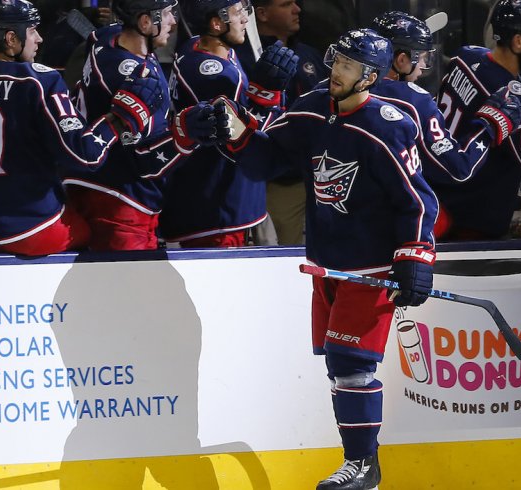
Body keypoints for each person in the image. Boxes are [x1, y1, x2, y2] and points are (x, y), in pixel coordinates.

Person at [216, 29, 438, 489]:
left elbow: (417, 200)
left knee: (351, 361)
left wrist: (416, 255)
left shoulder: (388, 124)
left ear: (370, 77)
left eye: (348, 66)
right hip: (326, 263)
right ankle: (365, 468)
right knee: (340, 366)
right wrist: (233, 131)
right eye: (336, 61)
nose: (336, 72)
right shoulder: (311, 110)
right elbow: (263, 160)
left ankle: (361, 465)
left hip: (371, 268)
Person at [0, 0, 188, 256]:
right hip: (28, 229)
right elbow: (84, 156)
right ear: (11, 38)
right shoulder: (39, 80)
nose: (40, 39)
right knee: (92, 233)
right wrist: (121, 117)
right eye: (32, 30)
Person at [62, 0, 210, 251]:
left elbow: (97, 36)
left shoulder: (105, 39)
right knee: (129, 288)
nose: (173, 21)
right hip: (121, 206)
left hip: (89, 188)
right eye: (166, 14)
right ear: (144, 22)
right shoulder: (134, 80)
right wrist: (187, 134)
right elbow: (146, 162)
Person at [161, 0, 297, 247]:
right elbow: (245, 142)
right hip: (218, 212)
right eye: (237, 13)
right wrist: (268, 96)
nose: (246, 18)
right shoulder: (217, 76)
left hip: (219, 201)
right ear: (215, 23)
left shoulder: (194, 48)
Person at [434, 0, 521, 240]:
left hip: (435, 195)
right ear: (519, 41)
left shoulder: (465, 56)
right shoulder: (519, 101)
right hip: (470, 219)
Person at [369, 11, 521, 192]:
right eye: (422, 57)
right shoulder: (415, 101)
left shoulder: (331, 88)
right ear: (401, 59)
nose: (422, 68)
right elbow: (458, 168)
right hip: (390, 210)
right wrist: (488, 127)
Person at [247, 0, 328, 245]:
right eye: (285, 4)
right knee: (283, 257)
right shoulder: (247, 57)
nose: (297, 9)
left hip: (321, 175)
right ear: (261, 14)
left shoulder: (311, 54)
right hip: (278, 183)